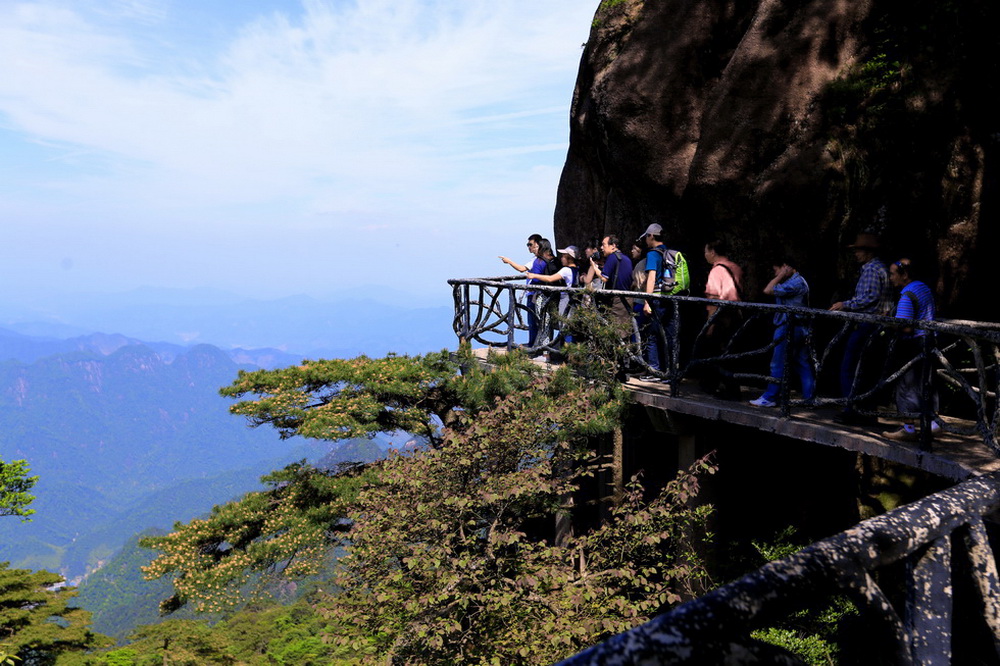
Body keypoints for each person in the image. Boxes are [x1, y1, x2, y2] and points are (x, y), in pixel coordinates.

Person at [829, 232, 894, 425]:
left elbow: (870, 297)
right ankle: (866, 410)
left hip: (869, 324)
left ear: (867, 252)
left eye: (858, 250)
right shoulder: (879, 268)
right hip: (878, 325)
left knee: (849, 366)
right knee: (867, 369)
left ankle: (852, 409)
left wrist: (846, 304)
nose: (855, 254)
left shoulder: (872, 269)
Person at [884, 258, 939, 441]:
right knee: (925, 382)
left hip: (913, 343)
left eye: (892, 274)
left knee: (906, 385)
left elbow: (905, 326)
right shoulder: (922, 287)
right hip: (928, 340)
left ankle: (908, 428)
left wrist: (887, 322)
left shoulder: (907, 294)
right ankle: (932, 423)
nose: (890, 278)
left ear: (904, 275)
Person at [749, 258, 815, 407]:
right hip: (799, 327)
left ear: (785, 266)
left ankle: (770, 397)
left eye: (776, 270)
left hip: (789, 326)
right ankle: (809, 399)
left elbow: (768, 290)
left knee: (777, 363)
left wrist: (780, 275)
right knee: (802, 362)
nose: (775, 273)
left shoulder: (795, 283)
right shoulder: (797, 281)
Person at [639, 224, 688, 382]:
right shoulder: (668, 252)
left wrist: (647, 301)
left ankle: (655, 371)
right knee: (671, 335)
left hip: (658, 299)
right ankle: (672, 372)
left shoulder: (653, 254)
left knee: (652, 335)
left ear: (652, 236)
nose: (646, 240)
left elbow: (651, 277)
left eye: (646, 237)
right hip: (671, 298)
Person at [700, 239, 743, 399]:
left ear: (712, 252)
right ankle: (730, 386)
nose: (705, 255)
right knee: (731, 351)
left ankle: (721, 387)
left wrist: (709, 324)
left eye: (706, 251)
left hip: (722, 316)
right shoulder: (735, 268)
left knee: (716, 350)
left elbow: (713, 299)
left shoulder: (716, 271)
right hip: (736, 313)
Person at [499, 235, 551, 348]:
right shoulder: (547, 260)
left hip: (534, 294)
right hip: (545, 294)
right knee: (542, 322)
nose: (528, 247)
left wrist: (508, 261)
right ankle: (541, 346)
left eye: (530, 244)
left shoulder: (537, 261)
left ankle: (534, 345)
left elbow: (521, 269)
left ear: (538, 244)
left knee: (533, 321)